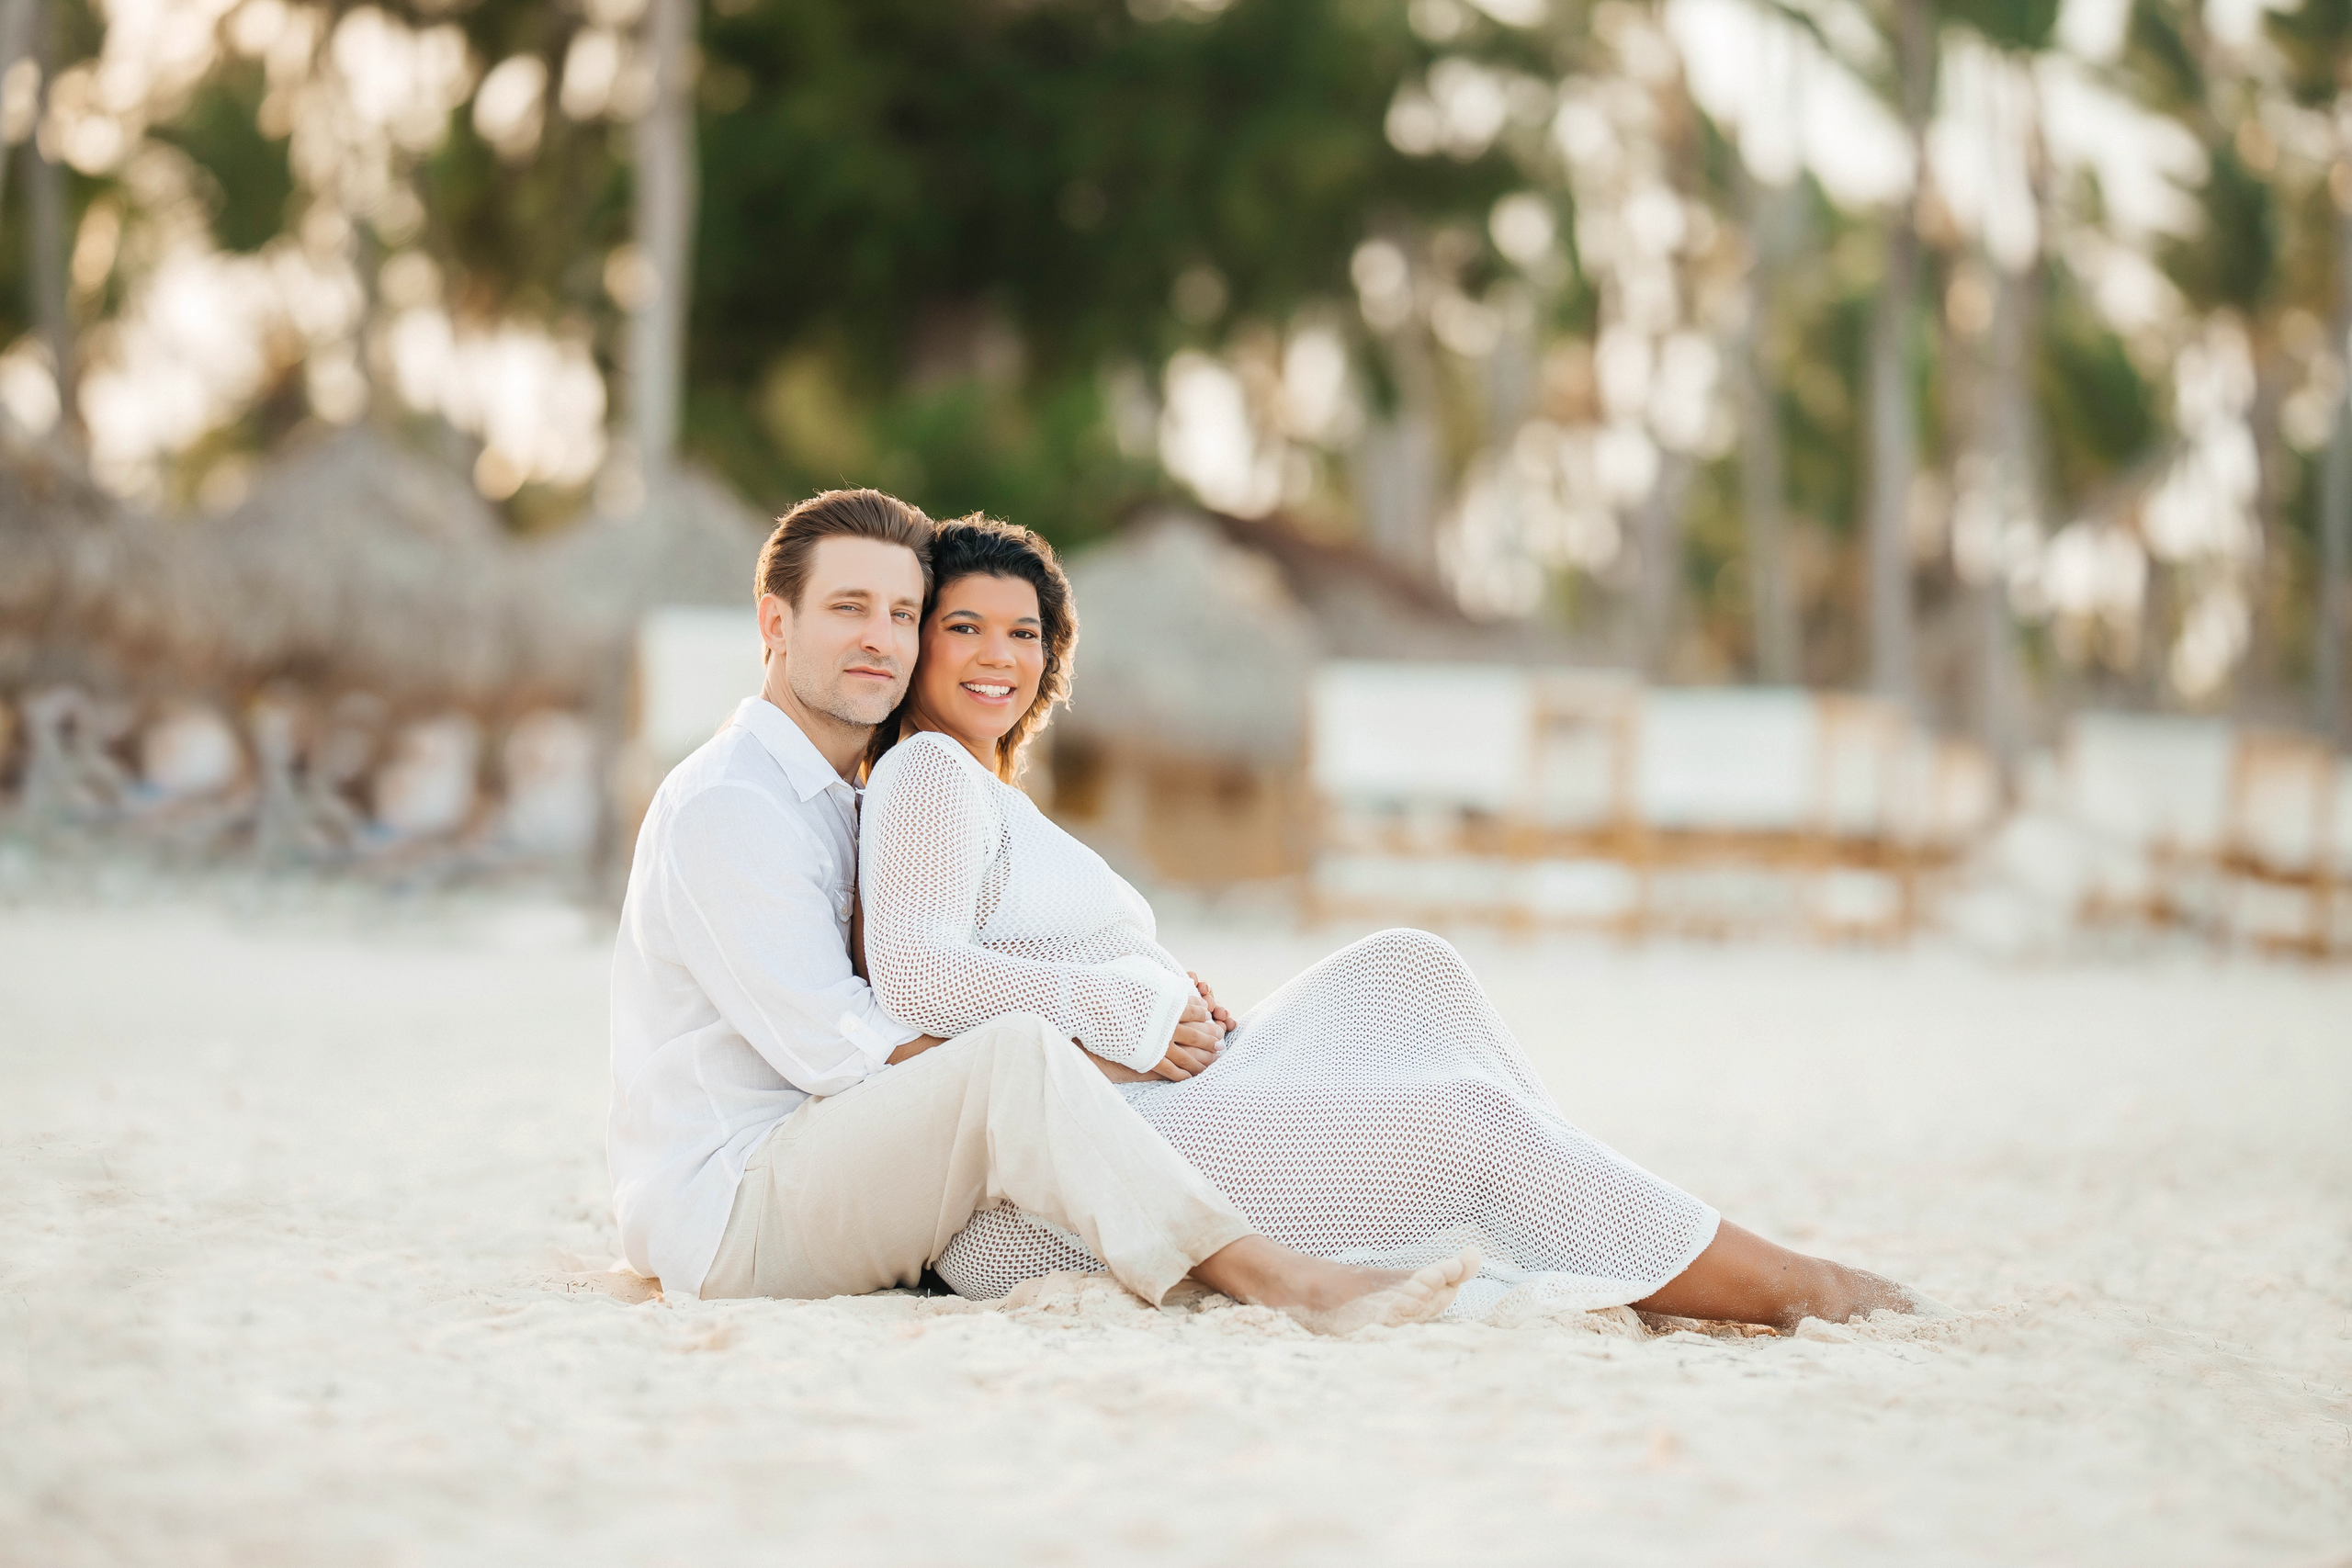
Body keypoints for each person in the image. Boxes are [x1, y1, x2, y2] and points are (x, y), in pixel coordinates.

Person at [858, 513, 1941, 1331]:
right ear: (919, 647)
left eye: (1023, 630)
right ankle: (1802, 1286)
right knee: (1462, 1119)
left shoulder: (985, 791)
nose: (998, 654)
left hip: (1160, 1094)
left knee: (1406, 972)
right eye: (964, 628)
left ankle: (1581, 1222)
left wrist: (1151, 996)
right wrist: (1123, 1011)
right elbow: (915, 974)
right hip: (1051, 1184)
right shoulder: (928, 775)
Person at [605, 489, 1477, 1334]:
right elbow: (844, 1051)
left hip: (830, 1162)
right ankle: (1271, 1274)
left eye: (904, 614)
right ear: (775, 623)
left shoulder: (839, 795)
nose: (880, 638)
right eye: (848, 607)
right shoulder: (733, 804)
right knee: (1016, 1054)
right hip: (738, 1211)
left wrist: (1136, 991)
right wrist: (1107, 1049)